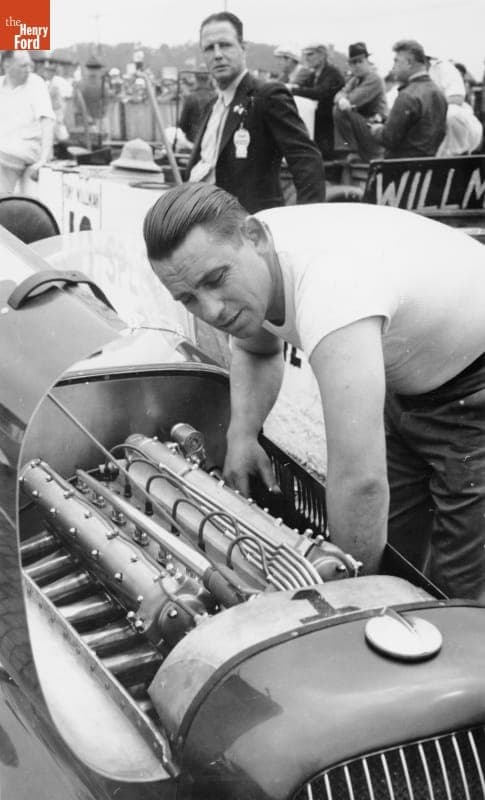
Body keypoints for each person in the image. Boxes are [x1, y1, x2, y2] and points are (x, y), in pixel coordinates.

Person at [144, 182, 485, 601]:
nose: (211, 310)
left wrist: (348, 602)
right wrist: (242, 434)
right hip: (417, 379)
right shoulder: (249, 257)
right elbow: (256, 346)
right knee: (397, 553)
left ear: (255, 236)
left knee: (463, 588)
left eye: (215, 280)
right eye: (189, 299)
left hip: (475, 386)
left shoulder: (332, 289)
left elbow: (360, 480)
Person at [186, 11, 325, 213]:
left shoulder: (267, 95)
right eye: (209, 48)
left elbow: (307, 160)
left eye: (225, 45)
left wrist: (305, 222)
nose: (217, 54)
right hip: (206, 224)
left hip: (249, 229)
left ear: (243, 49)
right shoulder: (211, 107)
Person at [369, 41, 447, 159]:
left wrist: (375, 128)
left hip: (399, 171)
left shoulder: (407, 96)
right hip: (427, 169)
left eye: (396, 61)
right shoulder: (439, 94)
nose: (393, 66)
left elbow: (388, 139)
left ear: (409, 63)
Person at [0, 51, 55, 194]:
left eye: (30, 65)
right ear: (7, 65)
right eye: (23, 66)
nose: (29, 70)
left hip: (28, 151)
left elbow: (47, 121)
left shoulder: (36, 83)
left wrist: (44, 159)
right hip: (5, 154)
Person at [332, 42, 387, 162]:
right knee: (339, 108)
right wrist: (342, 98)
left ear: (367, 61)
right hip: (366, 127)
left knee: (339, 111)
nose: (356, 66)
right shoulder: (355, 80)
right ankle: (354, 151)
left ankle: (358, 152)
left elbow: (354, 99)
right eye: (353, 62)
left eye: (360, 61)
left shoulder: (374, 78)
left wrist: (343, 99)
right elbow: (338, 95)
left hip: (376, 129)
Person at [289, 42, 345, 159]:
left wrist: (294, 90)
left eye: (310, 54)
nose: (307, 58)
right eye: (305, 55)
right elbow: (304, 88)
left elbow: (319, 92)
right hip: (319, 120)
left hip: (329, 123)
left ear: (322, 55)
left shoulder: (332, 73)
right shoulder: (315, 74)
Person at [427, 57, 482, 157]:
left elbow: (457, 99)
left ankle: (461, 154)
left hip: (462, 128)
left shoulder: (445, 70)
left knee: (452, 114)